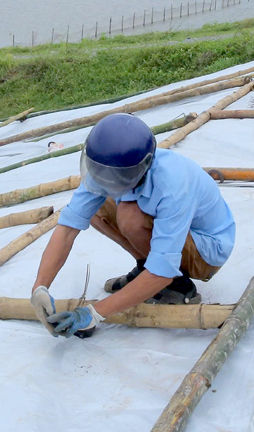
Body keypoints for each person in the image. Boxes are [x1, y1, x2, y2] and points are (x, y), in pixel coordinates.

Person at [29, 113, 236, 338]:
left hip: (206, 252)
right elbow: (68, 228)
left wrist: (94, 313)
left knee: (130, 216)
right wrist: (40, 287)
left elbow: (163, 271)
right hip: (181, 239)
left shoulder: (173, 186)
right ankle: (144, 268)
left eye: (115, 177)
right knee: (96, 209)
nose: (105, 180)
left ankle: (179, 286)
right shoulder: (107, 171)